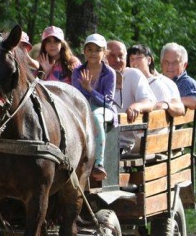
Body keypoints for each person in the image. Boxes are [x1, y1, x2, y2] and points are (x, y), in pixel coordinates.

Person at [72, 33, 116, 181]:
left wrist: (89, 89)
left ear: (104, 53)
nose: (93, 53)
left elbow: (108, 102)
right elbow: (75, 96)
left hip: (104, 110)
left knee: (96, 117)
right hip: (83, 107)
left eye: (97, 50)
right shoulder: (77, 71)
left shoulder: (109, 73)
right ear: (84, 51)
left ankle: (99, 163)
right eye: (89, 49)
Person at [126, 44, 185, 117]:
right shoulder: (127, 81)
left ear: (149, 60)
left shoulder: (160, 83)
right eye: (132, 58)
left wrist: (166, 105)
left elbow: (178, 109)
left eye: (139, 58)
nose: (135, 62)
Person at [106, 40, 156, 122]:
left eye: (121, 56)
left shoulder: (133, 74)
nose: (117, 60)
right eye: (112, 56)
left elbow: (149, 102)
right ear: (104, 56)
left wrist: (137, 106)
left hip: (125, 132)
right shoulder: (96, 74)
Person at [160, 43, 196, 110]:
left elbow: (194, 101)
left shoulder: (187, 82)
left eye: (175, 62)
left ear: (184, 65)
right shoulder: (156, 81)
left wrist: (167, 102)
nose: (170, 66)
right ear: (161, 63)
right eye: (166, 62)